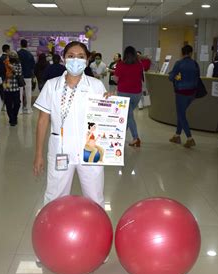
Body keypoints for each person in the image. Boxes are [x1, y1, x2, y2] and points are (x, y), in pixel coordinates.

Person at [33, 41, 107, 207]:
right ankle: (52, 231)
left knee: (95, 197)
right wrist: (38, 154)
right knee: (54, 197)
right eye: (71, 56)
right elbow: (43, 120)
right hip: (61, 148)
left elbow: (106, 118)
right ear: (64, 59)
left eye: (81, 57)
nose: (76, 60)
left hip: (91, 148)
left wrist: (111, 105)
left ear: (87, 60)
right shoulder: (52, 86)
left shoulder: (96, 86)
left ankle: (98, 231)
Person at [168, 45, 198, 148]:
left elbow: (171, 77)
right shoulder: (194, 63)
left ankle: (190, 138)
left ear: (182, 53)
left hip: (181, 93)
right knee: (181, 113)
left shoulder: (179, 64)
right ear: (191, 53)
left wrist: (175, 77)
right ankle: (177, 135)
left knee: (181, 115)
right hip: (192, 93)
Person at [114, 46, 144, 148]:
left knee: (129, 116)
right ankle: (121, 137)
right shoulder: (139, 64)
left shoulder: (120, 64)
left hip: (123, 93)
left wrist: (115, 76)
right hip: (137, 93)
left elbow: (116, 80)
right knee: (128, 115)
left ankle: (136, 138)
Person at [3, 51, 22, 126]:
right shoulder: (4, 63)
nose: (13, 59)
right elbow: (2, 73)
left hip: (15, 88)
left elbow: (19, 73)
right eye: (12, 58)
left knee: (17, 104)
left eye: (15, 58)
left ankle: (14, 116)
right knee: (8, 104)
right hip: (7, 88)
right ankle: (12, 119)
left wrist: (11, 67)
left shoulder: (18, 64)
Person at [18, 39, 36, 114]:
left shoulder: (17, 53)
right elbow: (33, 66)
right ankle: (29, 108)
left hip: (20, 76)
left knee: (20, 93)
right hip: (28, 76)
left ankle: (20, 109)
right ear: (27, 45)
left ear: (20, 44)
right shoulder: (30, 55)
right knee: (28, 93)